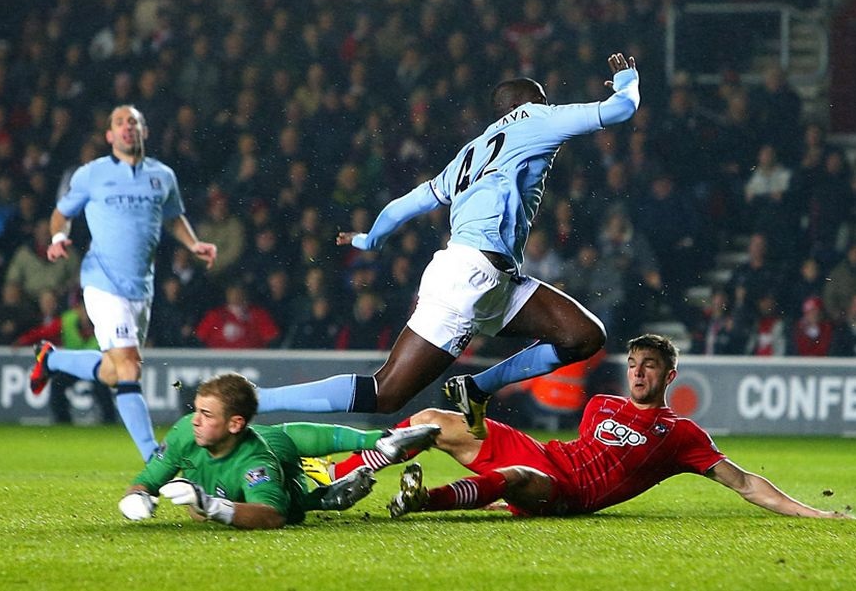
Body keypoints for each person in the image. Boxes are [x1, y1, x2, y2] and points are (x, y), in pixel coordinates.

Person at [257, 53, 641, 438]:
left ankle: (476, 387)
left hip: (497, 280)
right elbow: (622, 109)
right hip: (468, 276)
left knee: (584, 336)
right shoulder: (536, 119)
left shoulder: (470, 154)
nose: (548, 106)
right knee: (387, 392)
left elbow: (406, 203)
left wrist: (369, 238)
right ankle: (259, 400)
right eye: (542, 99)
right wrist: (627, 80)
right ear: (523, 105)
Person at [385, 334, 849, 520]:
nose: (638, 372)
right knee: (430, 421)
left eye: (649, 366)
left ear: (669, 376)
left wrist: (815, 514)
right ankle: (348, 470)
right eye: (632, 364)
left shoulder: (680, 434)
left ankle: (423, 500)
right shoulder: (601, 405)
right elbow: (586, 449)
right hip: (544, 453)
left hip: (565, 492)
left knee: (515, 480)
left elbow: (746, 483)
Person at [28, 105, 217, 461]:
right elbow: (60, 214)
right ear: (110, 136)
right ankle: (153, 457)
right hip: (102, 281)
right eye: (119, 123)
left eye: (134, 122)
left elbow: (174, 217)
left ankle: (50, 360)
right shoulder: (91, 175)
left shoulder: (163, 176)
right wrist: (56, 238)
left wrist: (194, 244)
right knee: (129, 365)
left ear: (144, 132)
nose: (127, 127)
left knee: (115, 371)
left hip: (140, 288)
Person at [118, 373, 440, 529]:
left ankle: (323, 495)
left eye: (207, 415)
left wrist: (211, 505)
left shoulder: (257, 463)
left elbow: (272, 516)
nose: (195, 421)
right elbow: (147, 479)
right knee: (283, 434)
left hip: (280, 468)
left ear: (234, 424)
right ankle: (377, 441)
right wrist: (137, 496)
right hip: (267, 438)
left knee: (290, 495)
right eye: (196, 411)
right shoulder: (185, 432)